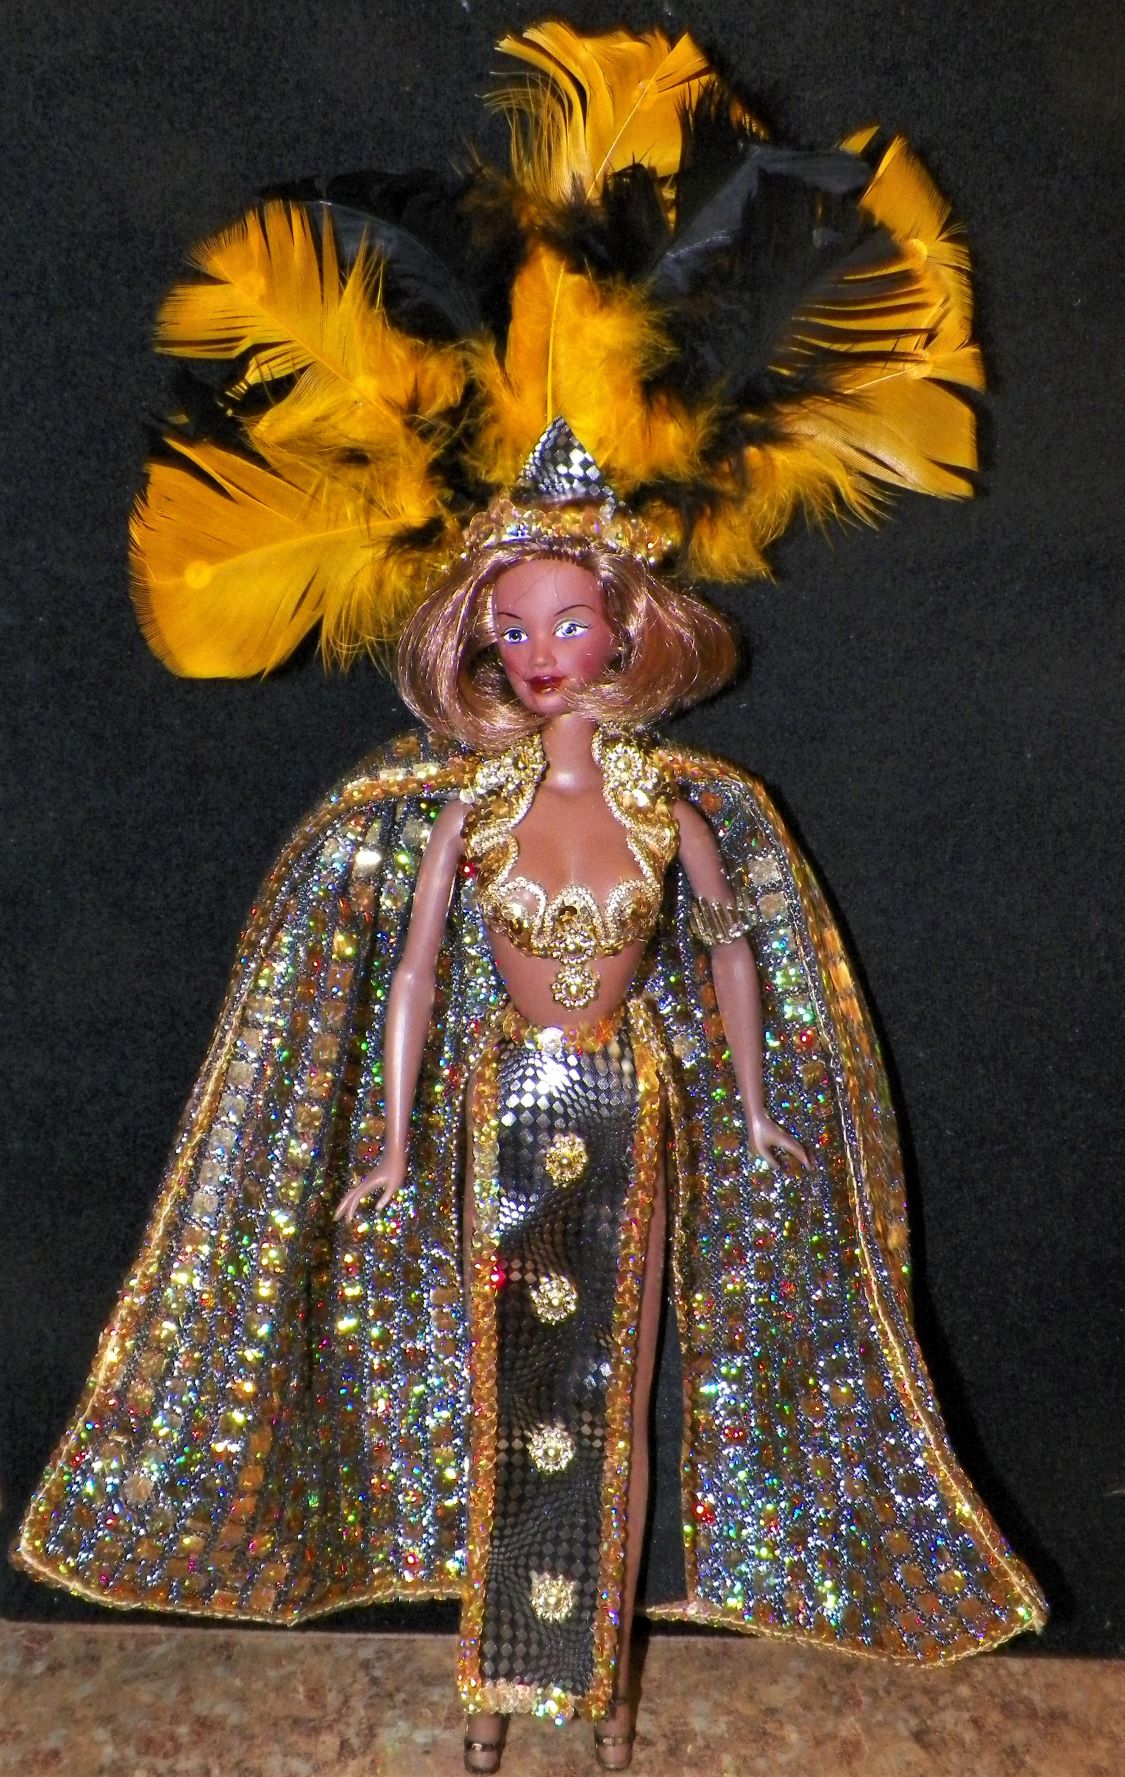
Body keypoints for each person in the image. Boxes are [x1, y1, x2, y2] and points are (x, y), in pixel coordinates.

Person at [14, 20, 1046, 1774]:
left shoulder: (688, 804)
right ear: (479, 640)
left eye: (571, 622)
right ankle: (496, 1687)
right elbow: (416, 972)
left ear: (628, 626)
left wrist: (758, 1108)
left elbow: (728, 951)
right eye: (515, 626)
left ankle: (595, 1686)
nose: (545, 650)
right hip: (501, 1104)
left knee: (610, 1405)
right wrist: (388, 1133)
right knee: (511, 1406)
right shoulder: (453, 810)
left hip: (628, 1105)